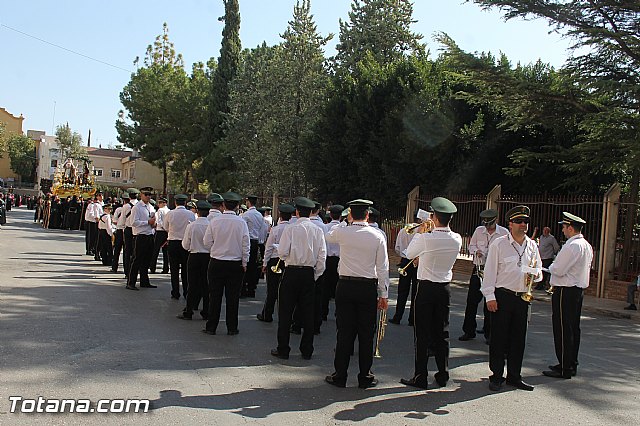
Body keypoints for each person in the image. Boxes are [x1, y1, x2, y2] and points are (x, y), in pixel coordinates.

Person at [324, 199, 388, 388]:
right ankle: (365, 376)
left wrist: (346, 221)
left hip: (345, 285)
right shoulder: (377, 236)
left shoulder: (343, 231)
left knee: (344, 332)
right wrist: (383, 294)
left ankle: (340, 375)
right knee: (366, 333)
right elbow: (382, 267)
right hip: (367, 287)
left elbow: (328, 235)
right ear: (368, 215)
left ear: (351, 213)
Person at [400, 198, 461, 390]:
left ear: (434, 217)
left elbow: (408, 254)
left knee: (422, 333)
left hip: (426, 288)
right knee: (442, 332)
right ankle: (443, 374)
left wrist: (420, 232)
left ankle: (421, 376)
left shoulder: (425, 237)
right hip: (444, 289)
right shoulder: (457, 239)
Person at [481, 205, 542, 392]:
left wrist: (535, 274)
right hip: (503, 296)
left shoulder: (532, 245)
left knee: (518, 339)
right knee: (499, 338)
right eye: (519, 222)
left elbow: (539, 270)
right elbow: (489, 271)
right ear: (510, 224)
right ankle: (497, 376)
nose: (523, 225)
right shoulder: (499, 244)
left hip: (523, 297)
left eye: (525, 222)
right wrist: (489, 296)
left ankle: (514, 376)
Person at [271, 197, 326, 361]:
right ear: (311, 212)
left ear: (296, 212)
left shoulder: (290, 229)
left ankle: (283, 348)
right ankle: (307, 349)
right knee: (308, 313)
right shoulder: (318, 230)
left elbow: (282, 253)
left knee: (285, 311)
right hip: (308, 273)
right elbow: (322, 256)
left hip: (291, 272)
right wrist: (315, 275)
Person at [543, 212, 594, 379]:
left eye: (564, 227)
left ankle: (564, 367)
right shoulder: (585, 245)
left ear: (571, 228)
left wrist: (549, 268)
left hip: (566, 290)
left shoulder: (572, 246)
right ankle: (570, 363)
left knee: (563, 328)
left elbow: (557, 269)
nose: (563, 230)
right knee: (573, 328)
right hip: (577, 290)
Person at [202, 192, 249, 336]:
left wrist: (216, 249)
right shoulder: (241, 222)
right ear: (237, 207)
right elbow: (245, 244)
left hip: (216, 262)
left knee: (214, 296)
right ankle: (232, 327)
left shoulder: (215, 221)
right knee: (233, 297)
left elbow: (206, 242)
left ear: (223, 205)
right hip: (235, 264)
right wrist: (244, 261)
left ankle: (211, 327)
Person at [459, 209, 508, 342]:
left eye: (490, 224)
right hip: (478, 269)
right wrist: (476, 251)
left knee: (491, 302)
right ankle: (469, 331)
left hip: (494, 271)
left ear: (496, 220)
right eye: (485, 224)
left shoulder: (504, 233)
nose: (487, 227)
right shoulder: (479, 230)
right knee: (472, 301)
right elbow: (471, 246)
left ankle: (489, 333)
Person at [257, 203, 294, 323]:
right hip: (288, 261)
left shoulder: (276, 229)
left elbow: (268, 248)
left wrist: (264, 263)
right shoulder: (293, 228)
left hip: (274, 260)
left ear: (280, 215)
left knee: (272, 289)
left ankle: (267, 314)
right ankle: (287, 317)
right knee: (287, 291)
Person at [177, 201, 213, 320]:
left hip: (194, 256)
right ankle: (206, 311)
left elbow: (185, 245)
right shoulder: (211, 226)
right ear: (208, 213)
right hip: (207, 257)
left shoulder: (191, 226)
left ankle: (189, 310)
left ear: (197, 211)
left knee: (192, 284)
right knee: (206, 285)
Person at [389, 211, 421, 326]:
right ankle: (412, 319)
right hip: (417, 262)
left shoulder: (403, 230)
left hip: (405, 261)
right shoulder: (423, 232)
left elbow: (397, 248)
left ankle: (397, 317)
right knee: (415, 293)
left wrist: (404, 255)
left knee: (402, 291)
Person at [164, 194, 196, 300]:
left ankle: (175, 292)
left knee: (174, 269)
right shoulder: (190, 214)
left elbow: (165, 227)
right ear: (185, 203)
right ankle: (186, 291)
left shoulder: (170, 213)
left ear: (175, 202)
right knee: (186, 269)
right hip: (185, 243)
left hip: (173, 243)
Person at [125, 187, 157, 291]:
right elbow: (133, 222)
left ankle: (144, 281)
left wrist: (153, 224)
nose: (148, 196)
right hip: (140, 236)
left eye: (149, 195)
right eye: (146, 194)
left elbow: (153, 220)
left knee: (147, 260)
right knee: (136, 259)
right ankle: (131, 282)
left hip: (149, 234)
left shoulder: (151, 207)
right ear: (141, 195)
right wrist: (147, 222)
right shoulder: (137, 207)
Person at [241, 195, 268, 298]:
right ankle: (251, 289)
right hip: (256, 241)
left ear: (248, 202)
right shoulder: (259, 216)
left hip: (248, 240)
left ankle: (243, 288)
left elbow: (243, 230)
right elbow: (261, 230)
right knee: (253, 266)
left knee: (245, 264)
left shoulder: (246, 215)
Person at [321, 204, 344, 322]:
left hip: (328, 259)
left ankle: (323, 312)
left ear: (330, 215)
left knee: (325, 287)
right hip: (340, 260)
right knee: (338, 288)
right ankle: (338, 313)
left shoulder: (326, 227)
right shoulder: (344, 228)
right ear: (341, 216)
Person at [121, 188, 140, 278]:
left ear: (129, 196)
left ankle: (127, 271)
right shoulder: (140, 205)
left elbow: (122, 220)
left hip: (128, 229)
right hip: (137, 230)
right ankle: (135, 271)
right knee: (136, 251)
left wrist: (121, 228)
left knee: (127, 251)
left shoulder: (126, 206)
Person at [150, 197, 170, 274]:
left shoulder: (160, 211)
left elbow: (159, 221)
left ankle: (153, 267)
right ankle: (166, 268)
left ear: (163, 203)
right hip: (167, 232)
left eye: (160, 203)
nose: (158, 205)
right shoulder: (169, 211)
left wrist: (164, 227)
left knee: (155, 250)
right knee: (165, 251)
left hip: (160, 231)